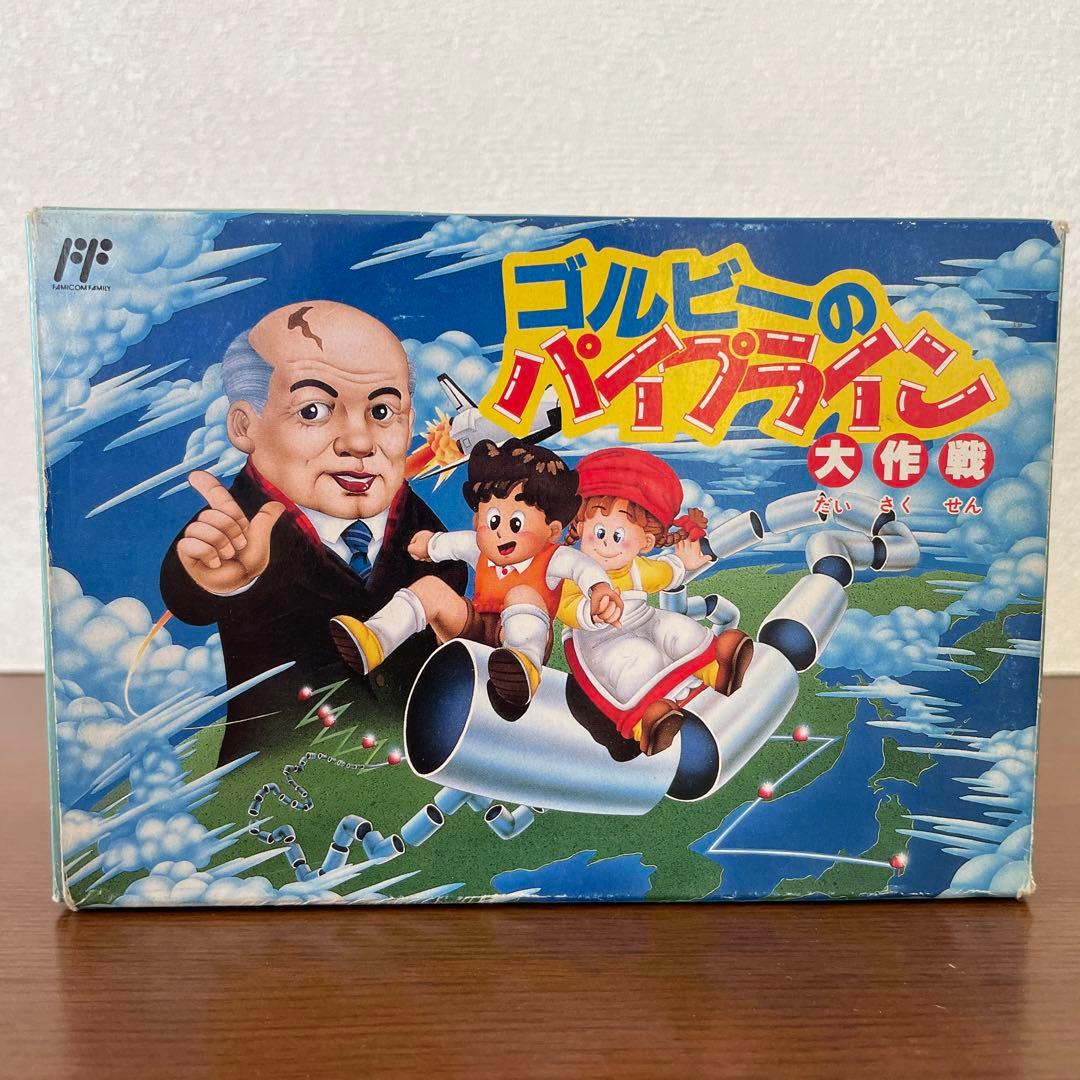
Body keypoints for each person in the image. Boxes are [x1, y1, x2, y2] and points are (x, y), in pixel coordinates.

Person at [160, 301, 466, 763]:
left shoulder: (412, 518)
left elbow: (452, 573)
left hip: (417, 757)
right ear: (244, 426)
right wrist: (213, 580)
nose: (360, 442)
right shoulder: (238, 523)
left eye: (383, 411)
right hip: (286, 767)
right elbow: (188, 592)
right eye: (313, 410)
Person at [330, 438, 623, 717]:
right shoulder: (480, 548)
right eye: (492, 520)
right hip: (476, 627)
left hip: (523, 636)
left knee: (521, 594)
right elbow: (452, 544)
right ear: (476, 520)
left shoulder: (552, 557)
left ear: (552, 530)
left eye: (516, 523)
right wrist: (430, 545)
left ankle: (523, 668)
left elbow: (582, 567)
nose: (500, 532)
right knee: (431, 588)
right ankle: (375, 639)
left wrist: (599, 589)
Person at [558, 448, 754, 755]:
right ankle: (647, 724)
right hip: (598, 640)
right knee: (640, 659)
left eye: (619, 536)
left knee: (679, 629)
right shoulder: (573, 569)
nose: (606, 543)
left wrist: (684, 563)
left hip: (644, 620)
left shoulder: (637, 569)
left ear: (645, 542)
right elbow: (564, 605)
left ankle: (718, 671)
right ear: (580, 526)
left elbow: (665, 573)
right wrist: (589, 611)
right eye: (599, 531)